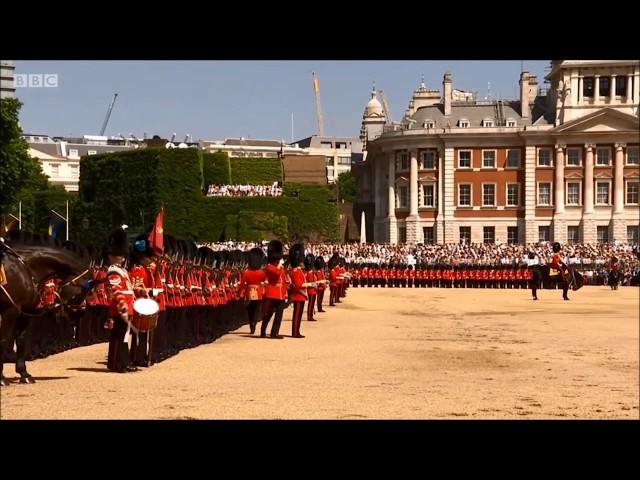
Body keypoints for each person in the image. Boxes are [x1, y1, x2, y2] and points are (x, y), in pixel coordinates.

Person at [103, 226, 138, 373]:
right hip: (119, 308)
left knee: (124, 335)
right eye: (118, 255)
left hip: (127, 306)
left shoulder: (122, 271)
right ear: (111, 256)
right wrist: (123, 305)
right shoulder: (113, 271)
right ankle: (117, 363)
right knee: (118, 336)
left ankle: (123, 361)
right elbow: (117, 291)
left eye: (122, 255)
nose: (122, 258)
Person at [261, 240, 287, 339]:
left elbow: (283, 280)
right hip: (272, 293)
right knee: (269, 314)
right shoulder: (269, 267)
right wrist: (280, 266)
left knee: (279, 315)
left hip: (280, 294)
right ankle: (263, 331)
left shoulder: (279, 267)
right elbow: (276, 275)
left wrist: (285, 293)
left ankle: (274, 333)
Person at [239, 247, 267, 334]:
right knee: (256, 309)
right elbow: (264, 281)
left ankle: (251, 323)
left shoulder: (246, 272)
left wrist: (239, 294)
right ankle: (254, 322)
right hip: (258, 292)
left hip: (249, 292)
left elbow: (242, 284)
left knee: (250, 309)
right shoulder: (261, 272)